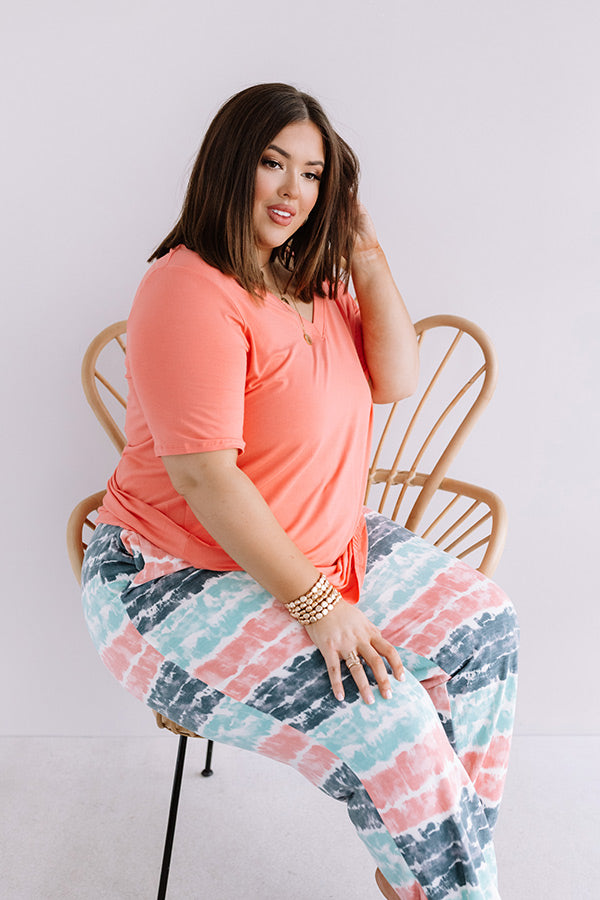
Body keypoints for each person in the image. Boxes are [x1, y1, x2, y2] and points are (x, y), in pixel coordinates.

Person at [81, 83, 519, 899]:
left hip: (329, 544)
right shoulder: (187, 288)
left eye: (313, 174)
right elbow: (203, 476)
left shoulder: (308, 279)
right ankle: (447, 880)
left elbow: (395, 379)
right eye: (272, 163)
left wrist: (365, 255)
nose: (293, 190)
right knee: (394, 723)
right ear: (229, 165)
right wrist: (320, 606)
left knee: (485, 628)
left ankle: (423, 874)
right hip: (173, 583)